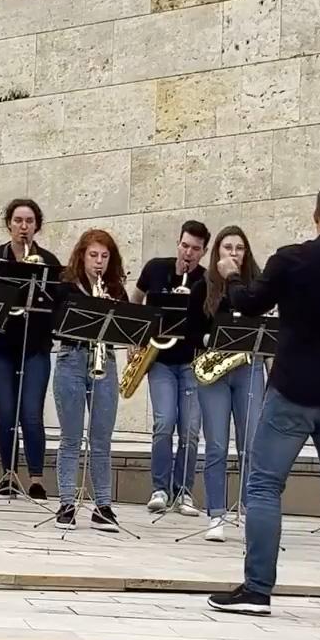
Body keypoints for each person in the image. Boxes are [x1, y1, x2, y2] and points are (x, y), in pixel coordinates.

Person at [207, 183, 320, 623]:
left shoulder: (291, 258)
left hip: (292, 390)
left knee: (264, 486)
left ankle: (257, 590)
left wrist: (231, 274)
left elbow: (248, 305)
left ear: (315, 215)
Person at [0, 198, 61, 502]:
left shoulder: (48, 261)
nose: (24, 227)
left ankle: (36, 479)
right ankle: (8, 475)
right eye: (18, 221)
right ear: (9, 224)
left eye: (29, 222)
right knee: (6, 413)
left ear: (37, 226)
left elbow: (57, 306)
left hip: (35, 346)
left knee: (32, 414)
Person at [51, 229, 128, 533]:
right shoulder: (66, 286)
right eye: (93, 255)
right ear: (81, 256)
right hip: (71, 357)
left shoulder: (116, 290)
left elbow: (125, 330)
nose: (99, 262)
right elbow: (54, 323)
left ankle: (103, 507)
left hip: (104, 361)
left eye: (104, 256)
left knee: (101, 439)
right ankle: (66, 504)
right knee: (70, 437)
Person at [194, 226, 266, 544]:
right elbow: (191, 332)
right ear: (217, 252)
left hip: (249, 368)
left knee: (251, 445)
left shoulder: (256, 286)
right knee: (217, 446)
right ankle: (216, 514)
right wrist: (211, 340)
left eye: (239, 248)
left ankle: (252, 513)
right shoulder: (203, 286)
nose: (233, 253)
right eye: (227, 247)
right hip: (215, 371)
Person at [133, 221, 209, 516]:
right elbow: (136, 300)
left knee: (190, 429)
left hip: (192, 362)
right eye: (184, 245)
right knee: (164, 423)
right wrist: (135, 338)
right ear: (178, 243)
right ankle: (160, 489)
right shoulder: (156, 268)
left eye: (195, 249)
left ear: (204, 252)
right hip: (160, 361)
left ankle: (184, 492)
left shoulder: (206, 280)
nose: (188, 253)